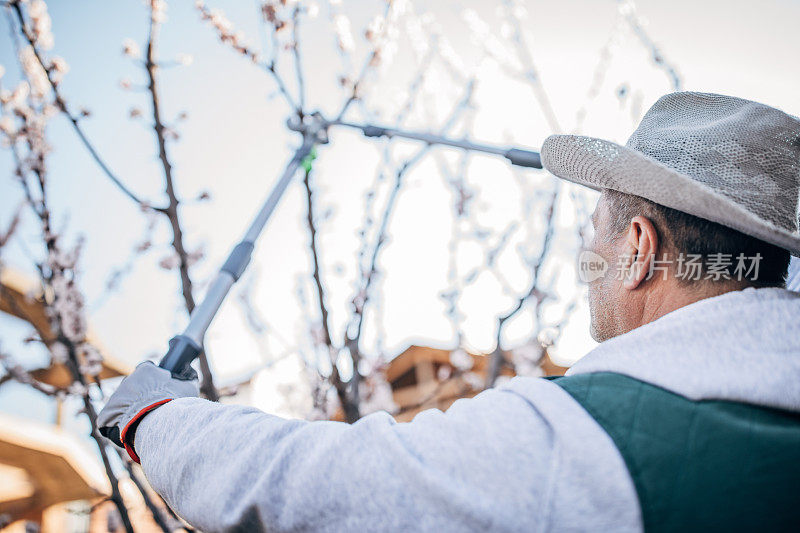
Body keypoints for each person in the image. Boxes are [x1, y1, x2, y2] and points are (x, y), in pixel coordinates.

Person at [98, 92, 800, 532]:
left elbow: (312, 486)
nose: (588, 256)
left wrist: (156, 417)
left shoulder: (591, 435)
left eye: (598, 233)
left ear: (640, 248)